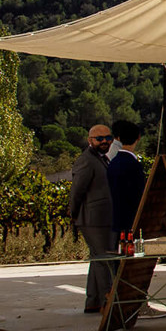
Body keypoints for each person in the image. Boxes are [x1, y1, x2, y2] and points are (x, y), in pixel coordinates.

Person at [70, 124, 116, 314]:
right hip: (92, 218)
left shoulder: (102, 159)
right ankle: (106, 299)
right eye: (100, 139)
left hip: (101, 217)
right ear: (90, 141)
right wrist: (73, 213)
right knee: (103, 259)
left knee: (98, 257)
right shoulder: (86, 160)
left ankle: (93, 301)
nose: (104, 141)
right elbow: (77, 190)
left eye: (108, 138)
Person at [106, 120, 146, 242]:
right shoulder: (134, 165)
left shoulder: (112, 163)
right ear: (138, 138)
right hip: (133, 219)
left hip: (116, 218)